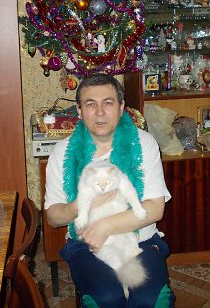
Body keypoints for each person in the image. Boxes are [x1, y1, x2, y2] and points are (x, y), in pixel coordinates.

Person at [45, 73, 174, 307]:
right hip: (86, 244)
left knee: (150, 301)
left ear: (121, 107)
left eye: (108, 103)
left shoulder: (144, 143)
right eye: (90, 104)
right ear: (79, 110)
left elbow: (155, 209)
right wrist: (82, 205)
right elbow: (53, 217)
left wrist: (106, 225)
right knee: (106, 298)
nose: (100, 112)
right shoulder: (61, 152)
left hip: (141, 240)